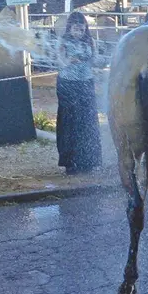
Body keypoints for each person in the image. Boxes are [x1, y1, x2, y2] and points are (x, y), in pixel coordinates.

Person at [56, 11, 102, 174]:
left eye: (81, 28)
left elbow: (95, 60)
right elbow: (59, 61)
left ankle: (88, 160)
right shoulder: (63, 41)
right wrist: (69, 61)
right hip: (68, 84)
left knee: (87, 121)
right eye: (75, 27)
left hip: (86, 83)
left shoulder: (90, 42)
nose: (78, 31)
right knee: (70, 122)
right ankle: (70, 162)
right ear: (70, 28)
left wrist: (99, 63)